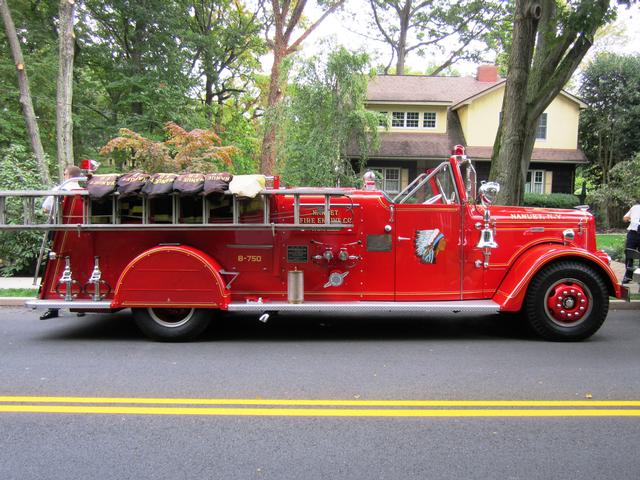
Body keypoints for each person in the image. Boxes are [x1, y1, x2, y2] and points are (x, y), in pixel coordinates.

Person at [40, 165, 84, 320]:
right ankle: (81, 306)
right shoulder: (84, 193)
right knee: (80, 266)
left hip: (59, 234)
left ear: (68, 175)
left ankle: (53, 308)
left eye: (64, 173)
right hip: (80, 234)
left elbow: (46, 209)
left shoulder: (60, 189)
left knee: (55, 268)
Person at [622, 201, 640, 284]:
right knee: (629, 253)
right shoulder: (634, 208)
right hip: (632, 233)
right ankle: (628, 276)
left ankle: (638, 277)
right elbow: (625, 218)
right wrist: (632, 219)